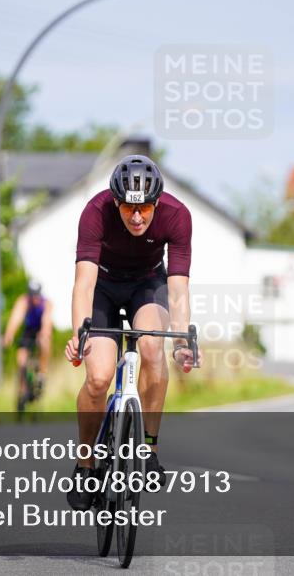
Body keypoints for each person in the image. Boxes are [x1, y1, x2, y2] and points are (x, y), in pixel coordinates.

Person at [64, 154, 194, 511]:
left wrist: (181, 340)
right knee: (98, 377)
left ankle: (148, 449)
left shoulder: (177, 215)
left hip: (147, 285)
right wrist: (80, 334)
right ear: (116, 202)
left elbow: (178, 289)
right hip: (103, 286)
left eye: (145, 210)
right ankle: (86, 462)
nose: (137, 218)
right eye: (128, 209)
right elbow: (83, 284)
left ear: (156, 203)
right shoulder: (95, 211)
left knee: (152, 347)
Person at [2, 280, 53, 408]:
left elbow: (46, 322)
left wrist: (43, 334)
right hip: (28, 331)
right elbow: (15, 319)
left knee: (45, 342)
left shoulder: (46, 304)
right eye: (32, 295)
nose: (34, 298)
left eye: (36, 295)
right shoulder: (23, 301)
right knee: (21, 360)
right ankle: (23, 390)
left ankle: (41, 374)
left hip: (41, 330)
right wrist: (9, 335)